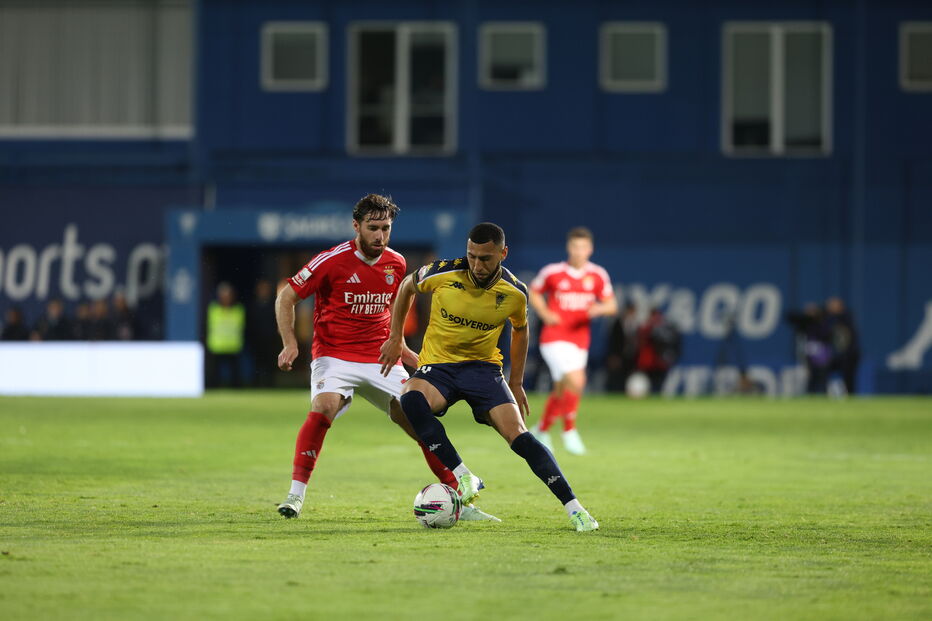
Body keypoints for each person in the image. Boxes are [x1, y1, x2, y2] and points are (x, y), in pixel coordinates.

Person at [274, 194, 488, 521]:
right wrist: (290, 343)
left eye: (386, 228)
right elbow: (285, 297)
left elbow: (393, 308)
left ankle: (461, 500)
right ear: (356, 226)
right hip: (334, 355)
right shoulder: (331, 261)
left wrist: (401, 346)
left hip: (380, 358)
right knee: (325, 406)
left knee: (416, 417)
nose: (380, 235)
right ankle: (295, 495)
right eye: (373, 228)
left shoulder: (396, 263)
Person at [379, 222, 600, 532]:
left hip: (483, 370)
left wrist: (516, 382)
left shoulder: (514, 292)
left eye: (485, 258)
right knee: (410, 400)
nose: (477, 265)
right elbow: (406, 287)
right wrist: (396, 338)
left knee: (520, 436)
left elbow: (521, 330)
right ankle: (464, 475)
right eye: (472, 256)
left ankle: (576, 510)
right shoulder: (442, 273)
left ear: (502, 254)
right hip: (439, 367)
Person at [527, 227, 617, 455]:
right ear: (569, 247)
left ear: (590, 249)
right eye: (575, 246)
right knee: (577, 381)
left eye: (583, 247)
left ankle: (541, 430)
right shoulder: (553, 272)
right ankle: (569, 430)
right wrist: (545, 312)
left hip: (580, 340)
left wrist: (599, 309)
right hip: (554, 338)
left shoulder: (597, 275)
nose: (579, 251)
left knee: (561, 388)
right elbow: (533, 292)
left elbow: (612, 305)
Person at [206, 282, 246, 387]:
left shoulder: (238, 310)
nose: (226, 298)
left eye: (228, 296)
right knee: (214, 374)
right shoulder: (213, 309)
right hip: (217, 346)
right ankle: (213, 389)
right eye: (223, 296)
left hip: (233, 346)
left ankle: (236, 390)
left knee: (235, 375)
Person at [635, 307, 681, 393]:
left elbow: (671, 343)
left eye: (658, 316)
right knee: (646, 385)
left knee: (658, 385)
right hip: (648, 362)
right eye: (654, 316)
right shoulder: (646, 328)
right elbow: (641, 342)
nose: (656, 319)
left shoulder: (665, 329)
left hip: (660, 363)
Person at [825, 297, 860, 395]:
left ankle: (850, 396)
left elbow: (847, 335)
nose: (832, 308)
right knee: (823, 373)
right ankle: (826, 394)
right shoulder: (828, 319)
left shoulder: (847, 317)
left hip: (849, 355)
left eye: (835, 305)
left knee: (849, 378)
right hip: (835, 355)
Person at [605, 301, 640, 393]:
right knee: (617, 377)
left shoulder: (636, 324)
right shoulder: (618, 323)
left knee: (629, 377)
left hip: (631, 356)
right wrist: (613, 355)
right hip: (619, 356)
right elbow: (613, 340)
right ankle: (614, 393)